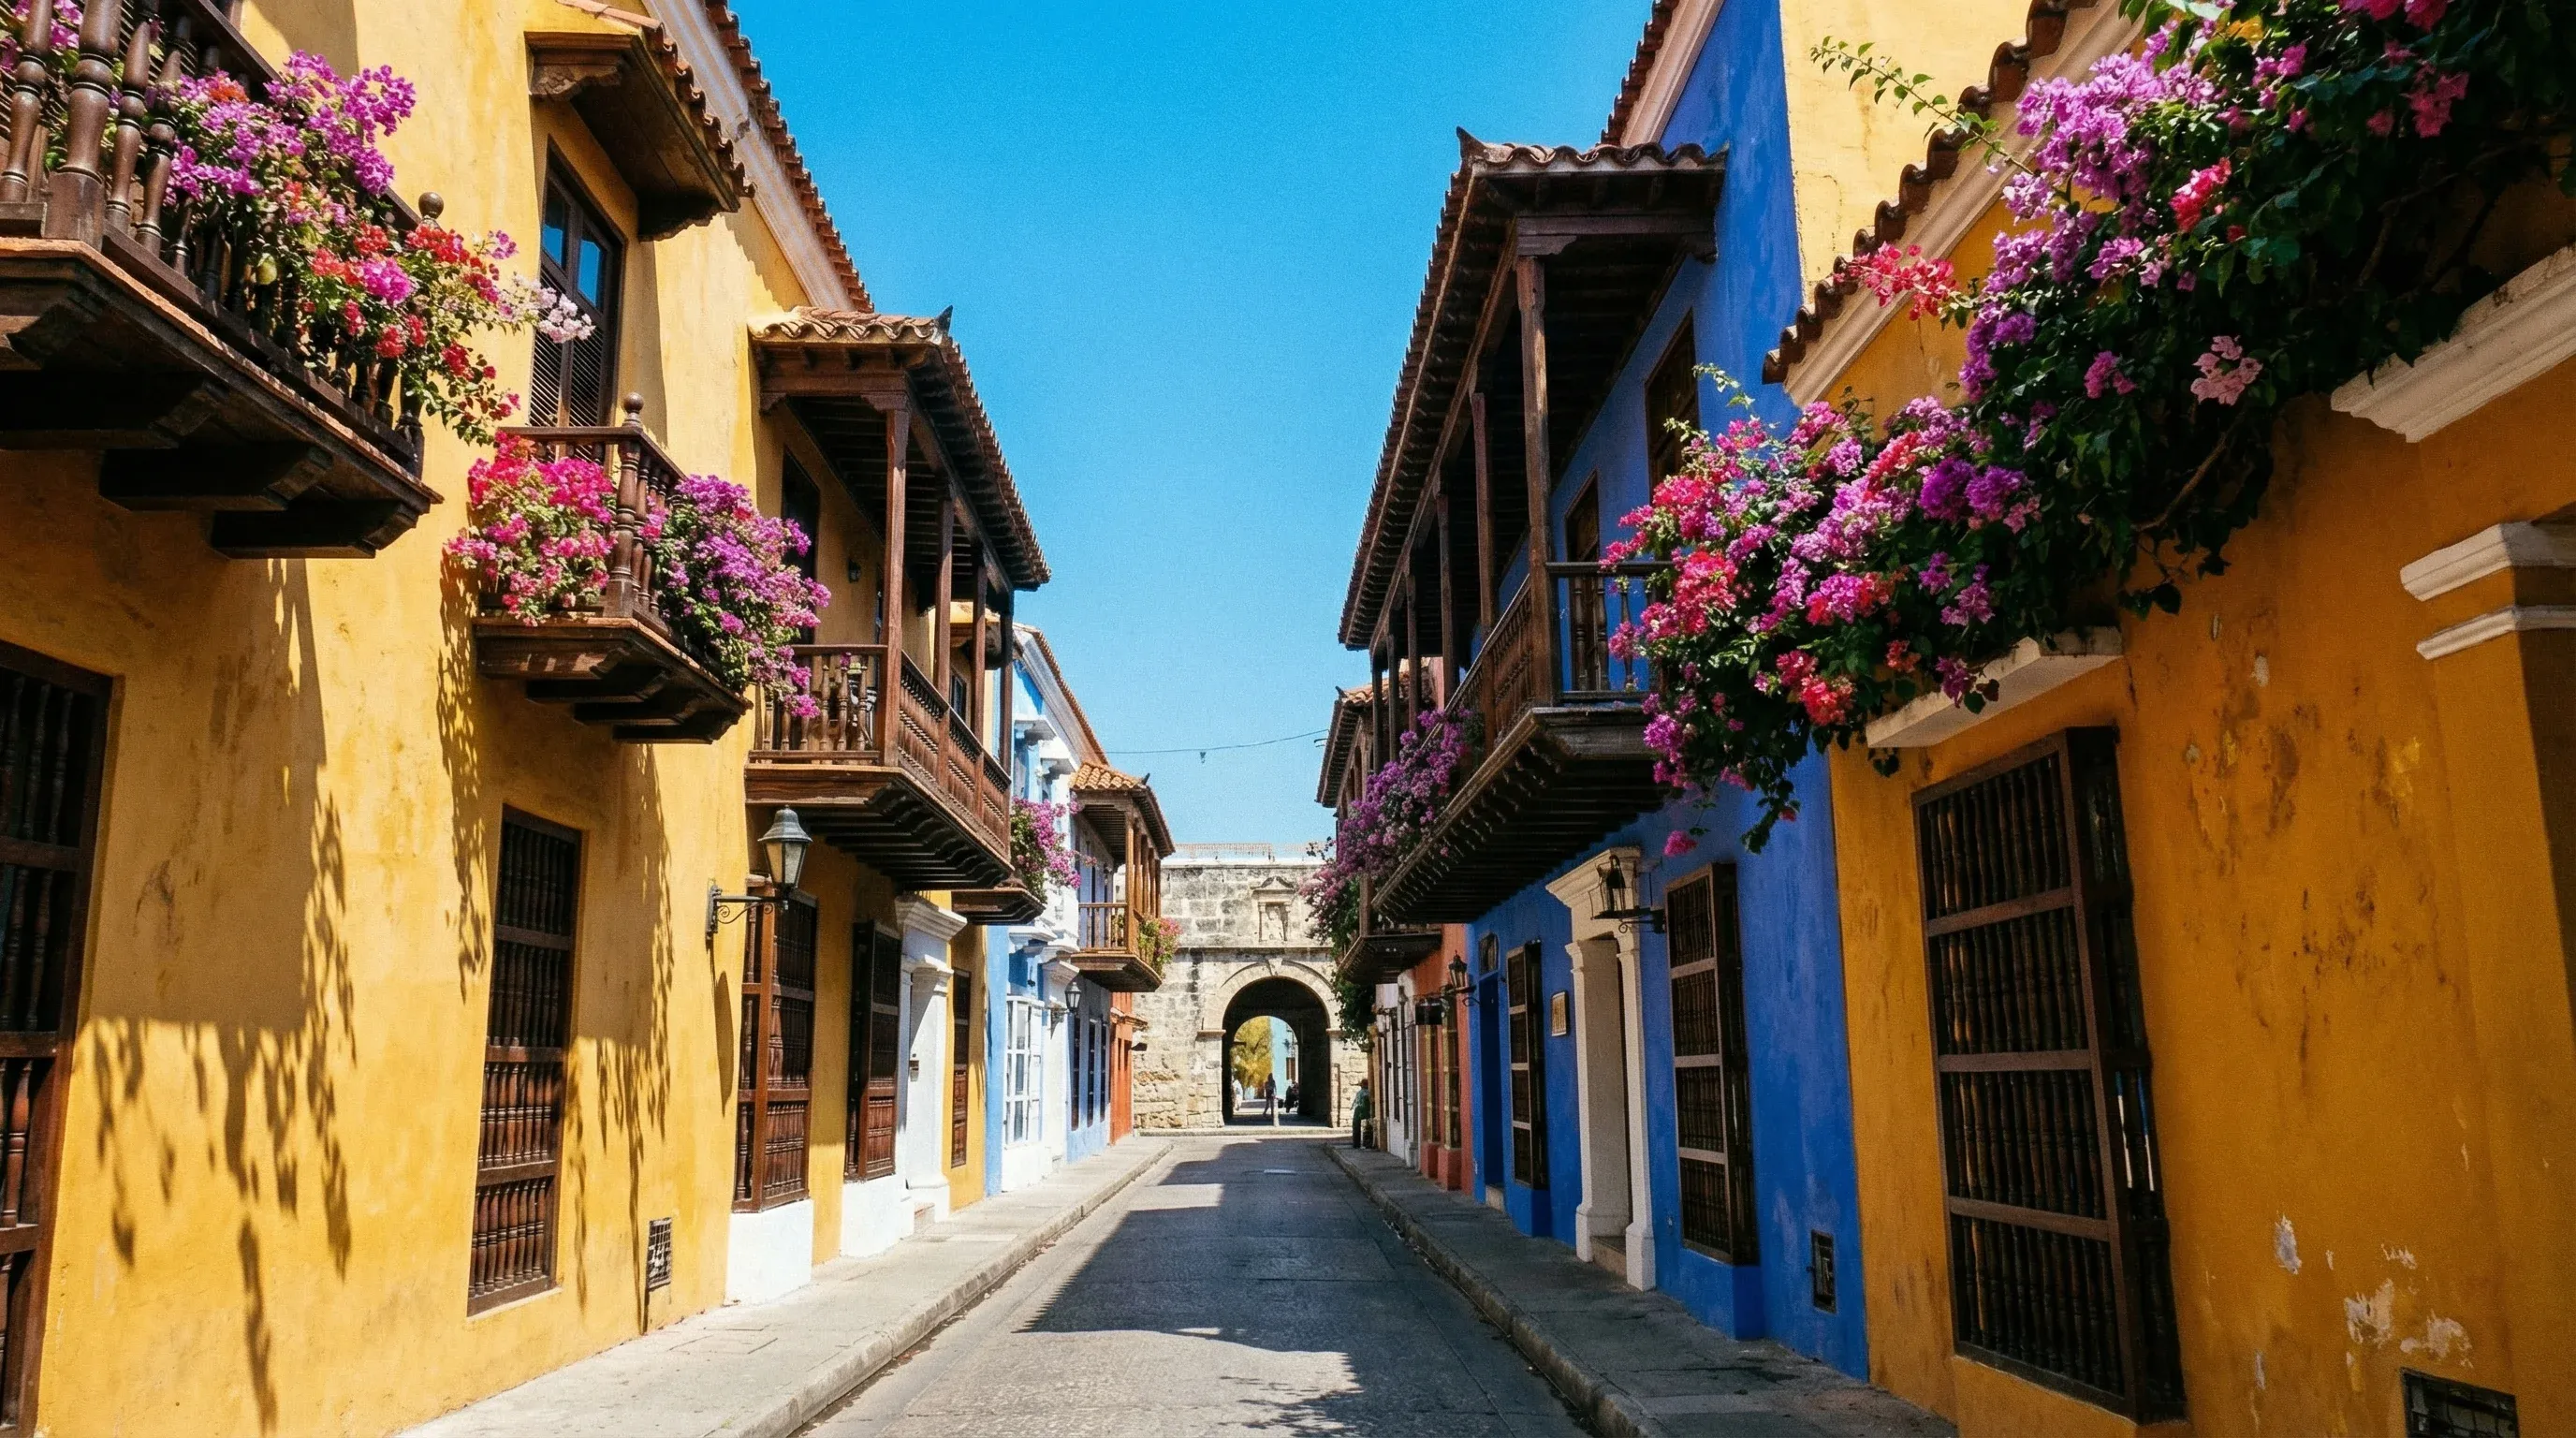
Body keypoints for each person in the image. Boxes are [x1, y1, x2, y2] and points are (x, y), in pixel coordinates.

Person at [1350, 1078, 1374, 1150]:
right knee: (1368, 1127)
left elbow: (1355, 1102)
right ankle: (1367, 1142)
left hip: (1358, 1110)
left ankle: (1356, 1144)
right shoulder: (1368, 1093)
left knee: (1356, 1127)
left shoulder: (1359, 1093)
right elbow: (1370, 1101)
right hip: (1365, 1110)